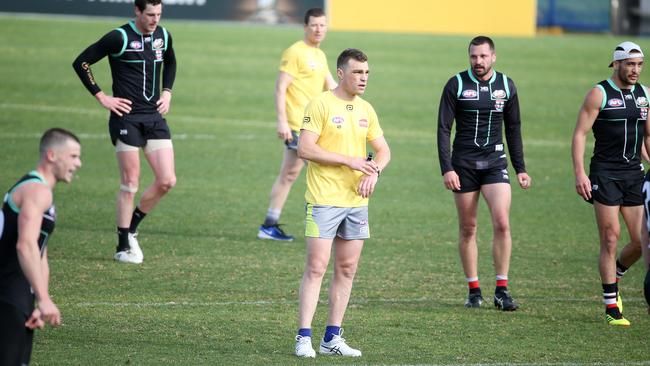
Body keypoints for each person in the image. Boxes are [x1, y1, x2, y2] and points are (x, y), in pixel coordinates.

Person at [293, 48, 390, 358]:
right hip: (323, 200)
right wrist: (350, 160)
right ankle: (303, 337)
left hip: (356, 202)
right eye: (358, 72)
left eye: (366, 73)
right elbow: (304, 149)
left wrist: (374, 172)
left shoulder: (367, 110)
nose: (363, 78)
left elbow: (383, 150)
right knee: (317, 268)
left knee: (347, 269)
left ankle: (332, 337)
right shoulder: (320, 104)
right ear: (341, 73)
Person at [72, 0, 177, 264]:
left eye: (159, 14)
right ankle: (122, 247)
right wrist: (102, 97)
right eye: (150, 14)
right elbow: (82, 62)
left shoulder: (162, 35)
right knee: (130, 183)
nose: (155, 20)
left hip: (154, 117)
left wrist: (167, 92)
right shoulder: (118, 37)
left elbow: (171, 61)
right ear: (137, 12)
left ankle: (132, 228)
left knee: (167, 180)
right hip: (125, 118)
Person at [437, 36, 531, 312]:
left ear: (493, 57)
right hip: (463, 164)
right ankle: (474, 289)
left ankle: (502, 290)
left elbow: (514, 129)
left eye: (483, 56)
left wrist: (520, 168)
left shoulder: (506, 86)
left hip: (495, 163)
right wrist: (447, 168)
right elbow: (444, 129)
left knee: (502, 223)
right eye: (473, 56)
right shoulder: (455, 84)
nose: (478, 62)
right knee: (468, 228)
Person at [572, 41, 649, 326]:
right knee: (610, 236)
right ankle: (611, 306)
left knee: (641, 241)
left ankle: (617, 271)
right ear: (616, 64)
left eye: (640, 64)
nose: (635, 70)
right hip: (604, 174)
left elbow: (647, 135)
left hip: (634, 175)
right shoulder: (599, 94)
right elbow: (580, 134)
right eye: (630, 64)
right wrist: (580, 173)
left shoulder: (645, 96)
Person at [0, 128, 82, 366]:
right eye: (73, 156)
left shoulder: (42, 192)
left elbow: (39, 252)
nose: (78, 164)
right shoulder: (37, 191)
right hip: (7, 294)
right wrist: (44, 299)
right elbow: (25, 245)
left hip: (19, 296)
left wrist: (38, 299)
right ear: (52, 155)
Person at [257, 8, 337, 241]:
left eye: (322, 25)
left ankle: (269, 225)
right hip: (296, 125)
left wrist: (353, 100)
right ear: (305, 27)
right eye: (314, 25)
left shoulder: (319, 55)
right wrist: (282, 121)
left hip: (312, 125)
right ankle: (324, 225)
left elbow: (330, 86)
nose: (319, 29)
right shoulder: (295, 52)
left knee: (289, 174)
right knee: (322, 171)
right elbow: (281, 87)